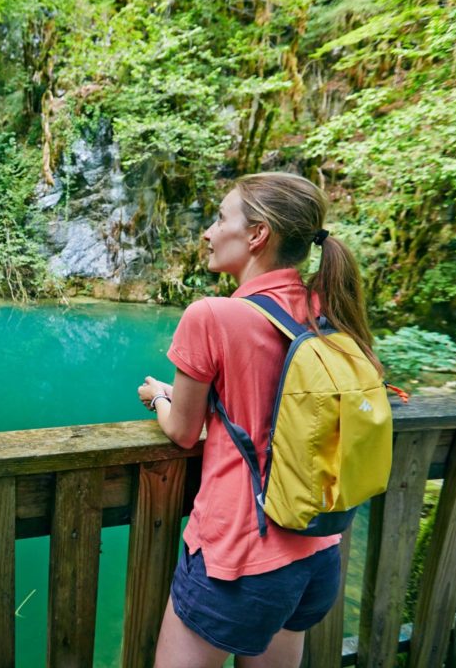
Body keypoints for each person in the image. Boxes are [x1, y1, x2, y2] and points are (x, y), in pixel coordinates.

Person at [136, 172, 381, 668]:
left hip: (239, 559)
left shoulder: (211, 315)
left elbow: (182, 431)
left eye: (220, 218)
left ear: (257, 234)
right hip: (316, 552)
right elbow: (277, 403)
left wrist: (158, 397)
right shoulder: (324, 306)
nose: (208, 232)